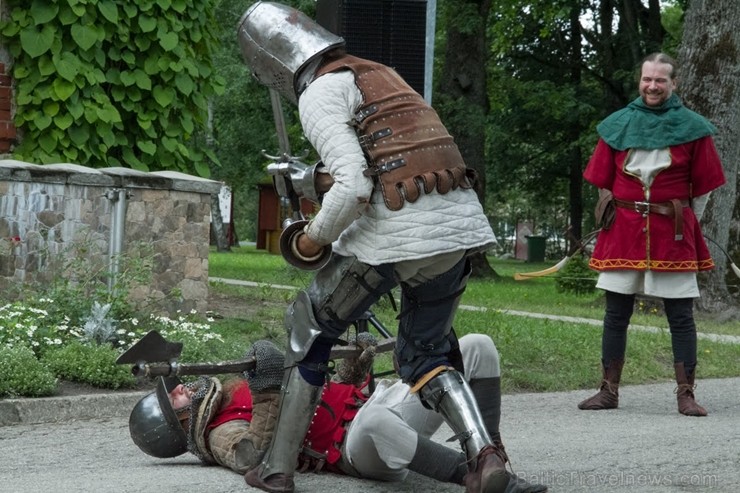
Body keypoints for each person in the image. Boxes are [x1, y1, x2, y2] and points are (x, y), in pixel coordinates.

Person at [236, 3, 512, 493]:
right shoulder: (379, 74)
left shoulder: (319, 92)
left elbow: (355, 188)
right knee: (426, 356)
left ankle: (276, 469)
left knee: (308, 326)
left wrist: (310, 238)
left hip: (394, 235)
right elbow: (389, 160)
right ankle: (484, 457)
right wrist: (312, 178)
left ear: (272, 62)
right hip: (456, 228)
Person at [127, 335, 547, 493]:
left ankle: (491, 458)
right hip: (355, 448)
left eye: (174, 387)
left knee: (476, 347)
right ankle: (472, 476)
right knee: (377, 423)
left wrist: (353, 370)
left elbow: (316, 395)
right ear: (177, 424)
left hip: (375, 407)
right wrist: (269, 386)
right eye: (174, 399)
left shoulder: (229, 390)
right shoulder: (217, 434)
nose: (180, 389)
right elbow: (253, 456)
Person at [578, 52, 726, 417]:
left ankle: (686, 395)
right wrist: (609, 208)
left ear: (674, 84)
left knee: (680, 316)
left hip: (671, 234)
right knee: (615, 315)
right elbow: (601, 179)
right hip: (623, 232)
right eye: (647, 79)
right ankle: (608, 391)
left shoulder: (693, 128)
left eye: (660, 80)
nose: (652, 86)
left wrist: (690, 221)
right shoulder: (617, 125)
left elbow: (704, 188)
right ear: (639, 81)